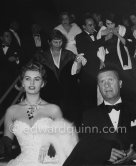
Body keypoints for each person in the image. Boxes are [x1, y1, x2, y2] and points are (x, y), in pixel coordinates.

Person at [0, 61, 78, 166]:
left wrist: (54, 143)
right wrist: (4, 143)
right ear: (22, 82)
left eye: (37, 79)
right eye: (27, 79)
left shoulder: (53, 110)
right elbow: (7, 142)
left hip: (52, 161)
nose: (32, 83)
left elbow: (66, 142)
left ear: (43, 83)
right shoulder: (12, 111)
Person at [62, 66, 136, 165]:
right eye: (102, 82)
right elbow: (86, 149)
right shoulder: (89, 115)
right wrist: (103, 153)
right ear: (99, 87)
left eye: (110, 80)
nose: (107, 85)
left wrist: (134, 155)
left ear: (120, 83)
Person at [34, 29, 85, 127]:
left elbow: (76, 73)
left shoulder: (69, 54)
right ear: (49, 42)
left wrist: (79, 64)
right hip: (50, 93)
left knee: (71, 121)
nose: (58, 44)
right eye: (55, 42)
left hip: (69, 92)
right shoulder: (41, 56)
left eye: (60, 42)